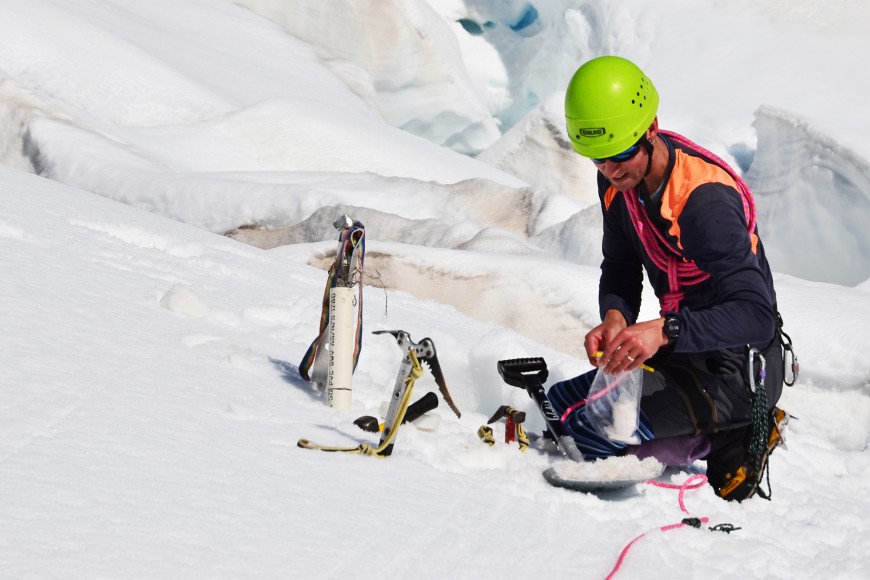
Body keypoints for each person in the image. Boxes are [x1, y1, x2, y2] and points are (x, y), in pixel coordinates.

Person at [548, 55, 792, 501]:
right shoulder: (617, 182)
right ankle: (689, 423)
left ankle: (734, 435)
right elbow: (620, 263)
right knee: (558, 408)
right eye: (597, 159)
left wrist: (664, 330)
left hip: (737, 369)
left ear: (651, 128)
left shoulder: (703, 203)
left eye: (620, 156)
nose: (609, 171)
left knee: (594, 439)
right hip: (681, 348)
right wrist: (616, 317)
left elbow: (756, 316)